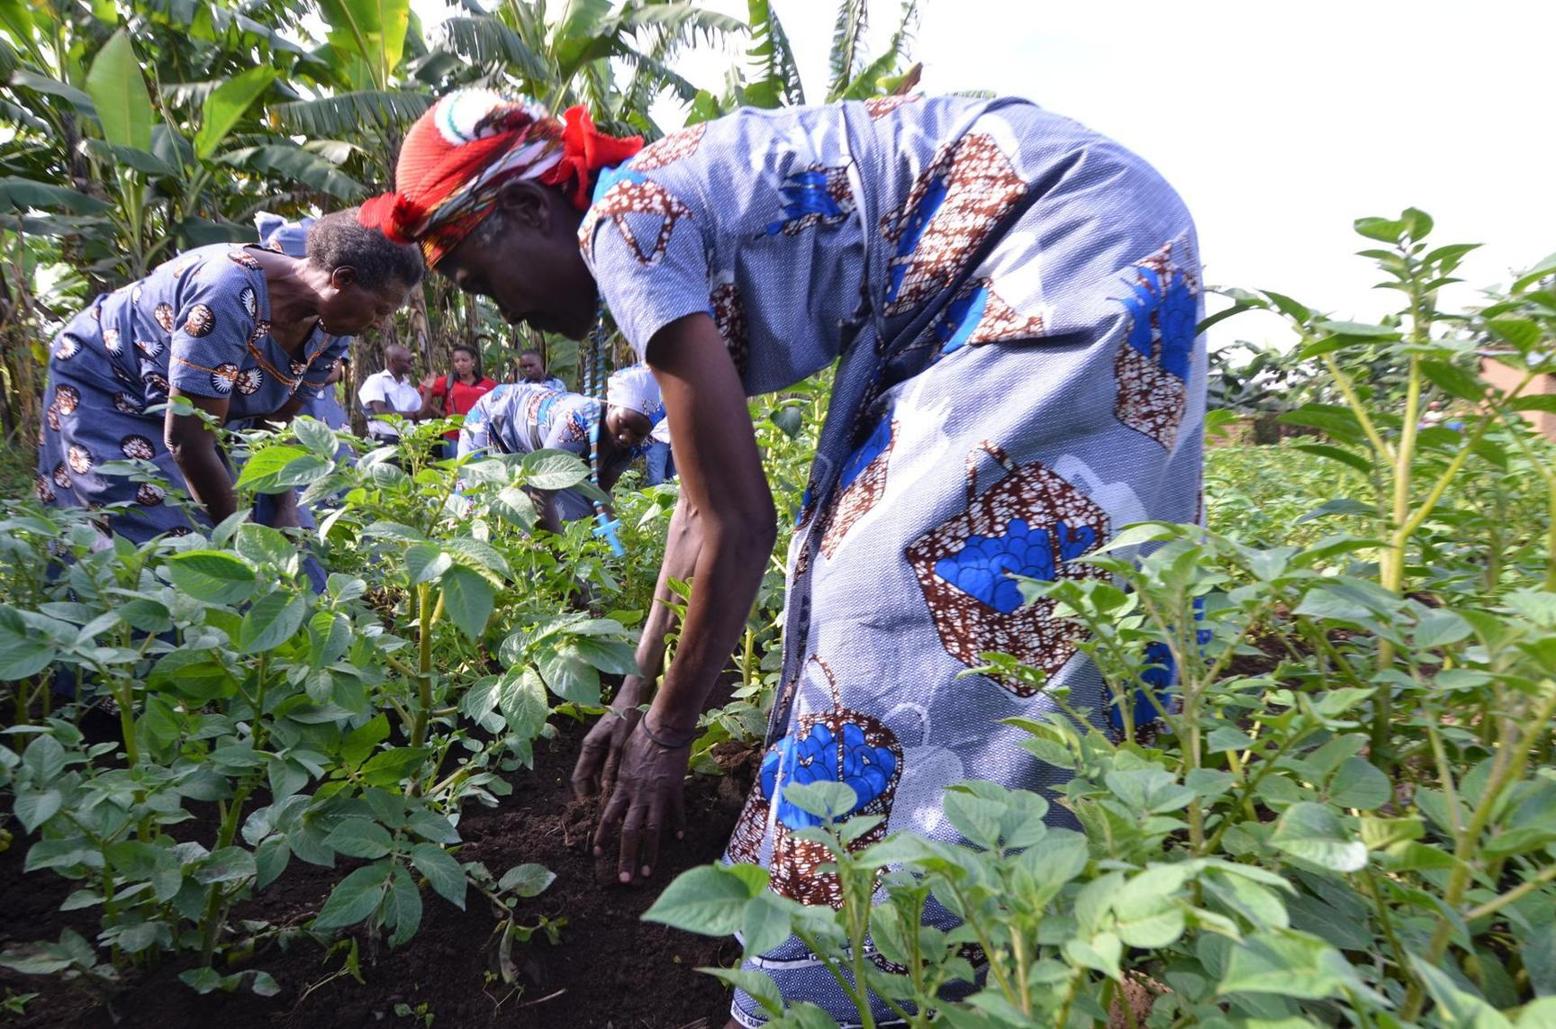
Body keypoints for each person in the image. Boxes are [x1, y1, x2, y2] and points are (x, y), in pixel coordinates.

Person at [359, 89, 1204, 1026]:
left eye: (480, 279)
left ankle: (865, 972)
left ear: (525, 208)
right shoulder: (652, 213)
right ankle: (974, 922)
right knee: (896, 570)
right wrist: (637, 694)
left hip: (1059, 243)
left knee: (888, 591)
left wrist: (671, 740)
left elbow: (741, 524)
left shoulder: (624, 224)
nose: (507, 313)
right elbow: (699, 505)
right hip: (1075, 231)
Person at [37, 210, 421, 543]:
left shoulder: (332, 328)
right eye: (380, 309)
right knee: (160, 531)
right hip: (110, 382)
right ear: (342, 279)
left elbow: (276, 428)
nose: (380, 323)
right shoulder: (227, 291)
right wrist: (243, 543)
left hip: (192, 416)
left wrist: (285, 505)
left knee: (294, 537)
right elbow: (188, 441)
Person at [457, 364, 661, 533]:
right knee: (475, 507)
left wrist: (618, 546)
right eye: (623, 422)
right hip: (493, 419)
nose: (627, 436)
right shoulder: (577, 422)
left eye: (638, 433)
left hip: (534, 447)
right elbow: (540, 494)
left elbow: (599, 493)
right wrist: (564, 562)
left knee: (578, 517)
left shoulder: (633, 445)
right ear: (611, 405)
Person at [418, 343, 496, 455]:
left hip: (479, 436)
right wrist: (439, 412)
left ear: (473, 361)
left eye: (464, 360)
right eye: (457, 361)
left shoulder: (488, 384)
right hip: (453, 435)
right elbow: (420, 392)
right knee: (453, 470)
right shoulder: (448, 381)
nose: (460, 364)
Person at [357, 344, 424, 443]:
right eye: (408, 361)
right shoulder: (377, 380)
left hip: (409, 442)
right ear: (393, 361)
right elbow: (380, 412)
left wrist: (428, 391)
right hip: (385, 441)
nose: (412, 364)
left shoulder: (409, 389)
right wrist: (413, 415)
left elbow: (421, 415)